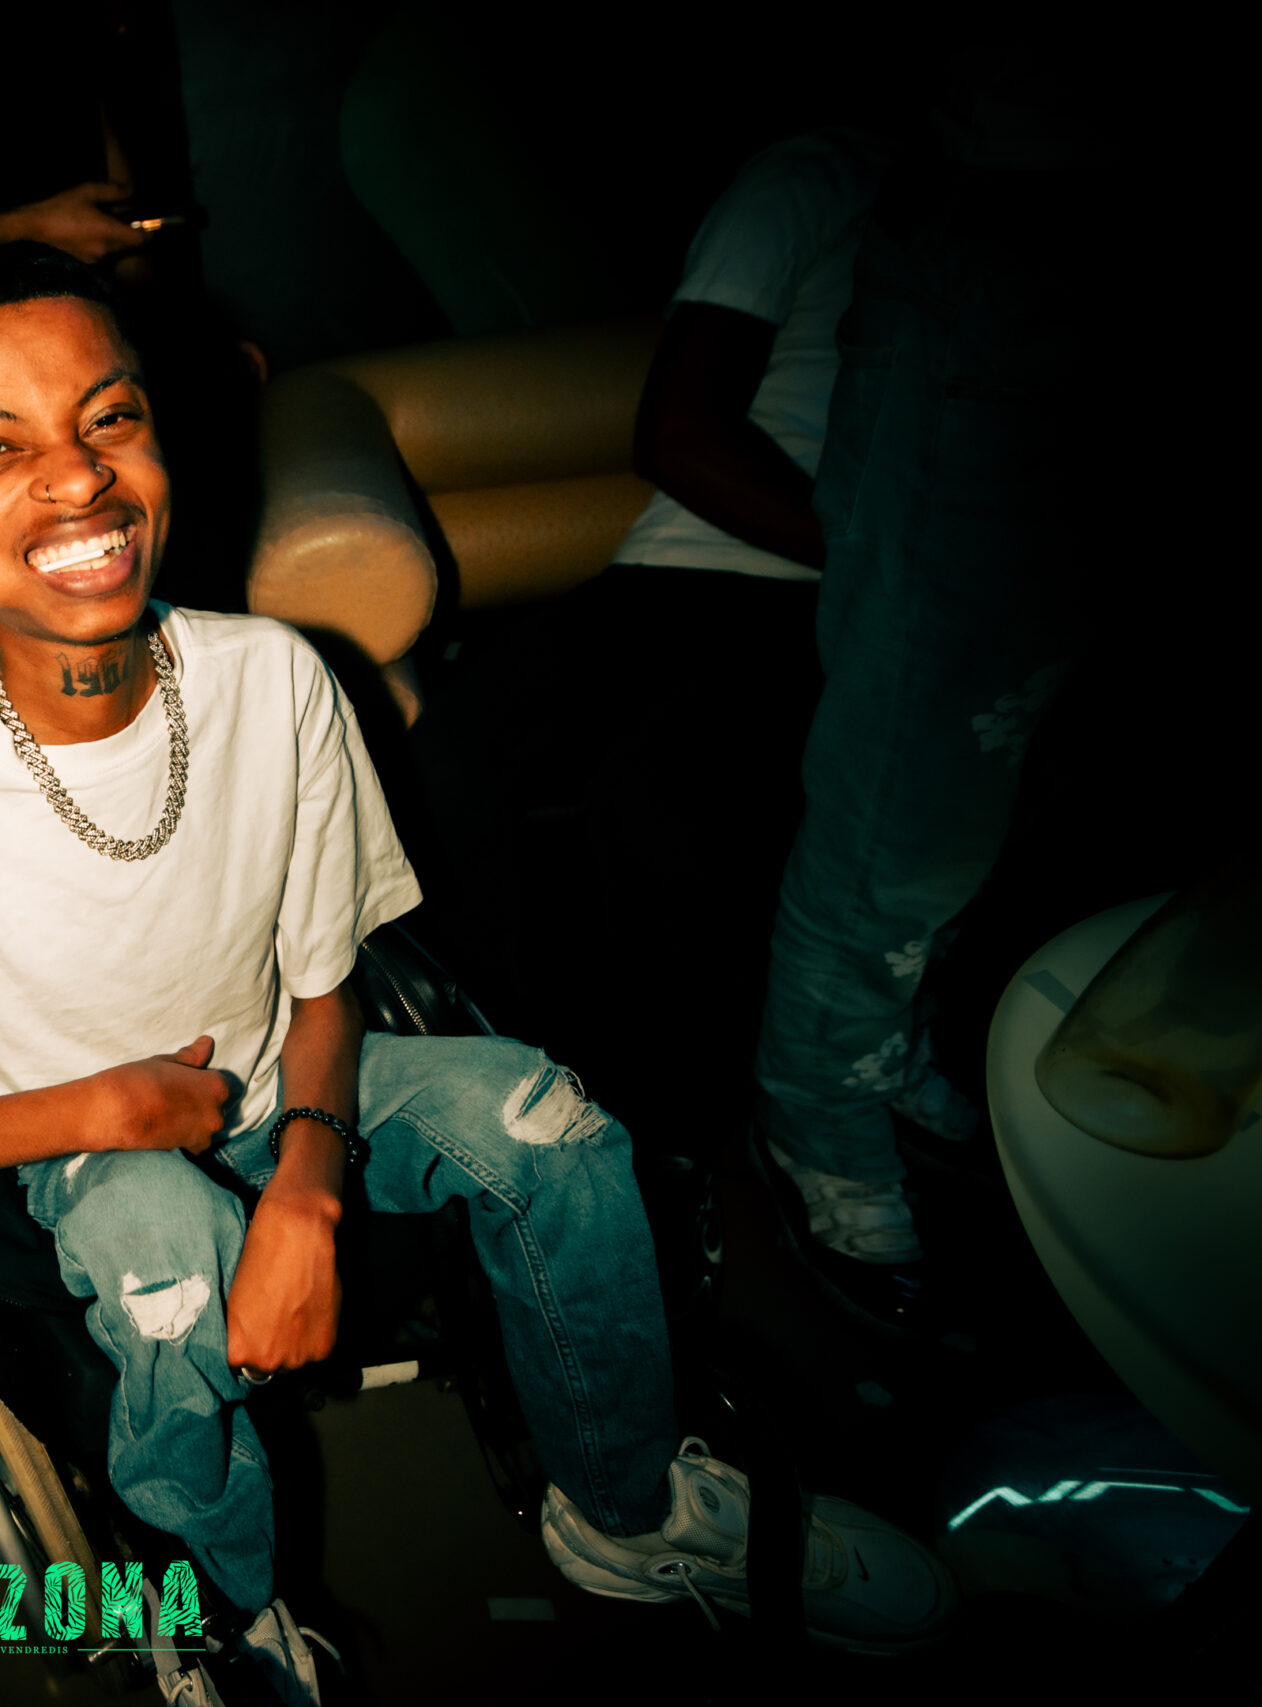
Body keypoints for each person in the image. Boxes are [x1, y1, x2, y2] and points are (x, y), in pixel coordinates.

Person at [0, 244, 956, 1704]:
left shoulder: (276, 676)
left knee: (546, 1123)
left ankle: (630, 1501)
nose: (77, 479)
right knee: (165, 1262)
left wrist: (307, 1188)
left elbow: (326, 979)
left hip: (289, 1078)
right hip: (73, 1145)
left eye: (109, 419)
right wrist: (106, 1109)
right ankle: (231, 1616)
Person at [407, 128, 886, 1260]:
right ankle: (494, 1114)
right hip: (698, 565)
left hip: (835, 605)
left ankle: (663, 1161)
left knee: (665, 810)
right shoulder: (818, 175)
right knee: (449, 759)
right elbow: (675, 432)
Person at [750, 53, 1124, 1343]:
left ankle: (880, 1040)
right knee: (905, 791)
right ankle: (814, 1107)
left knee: (999, 763)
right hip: (1017, 233)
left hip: (1074, 247)